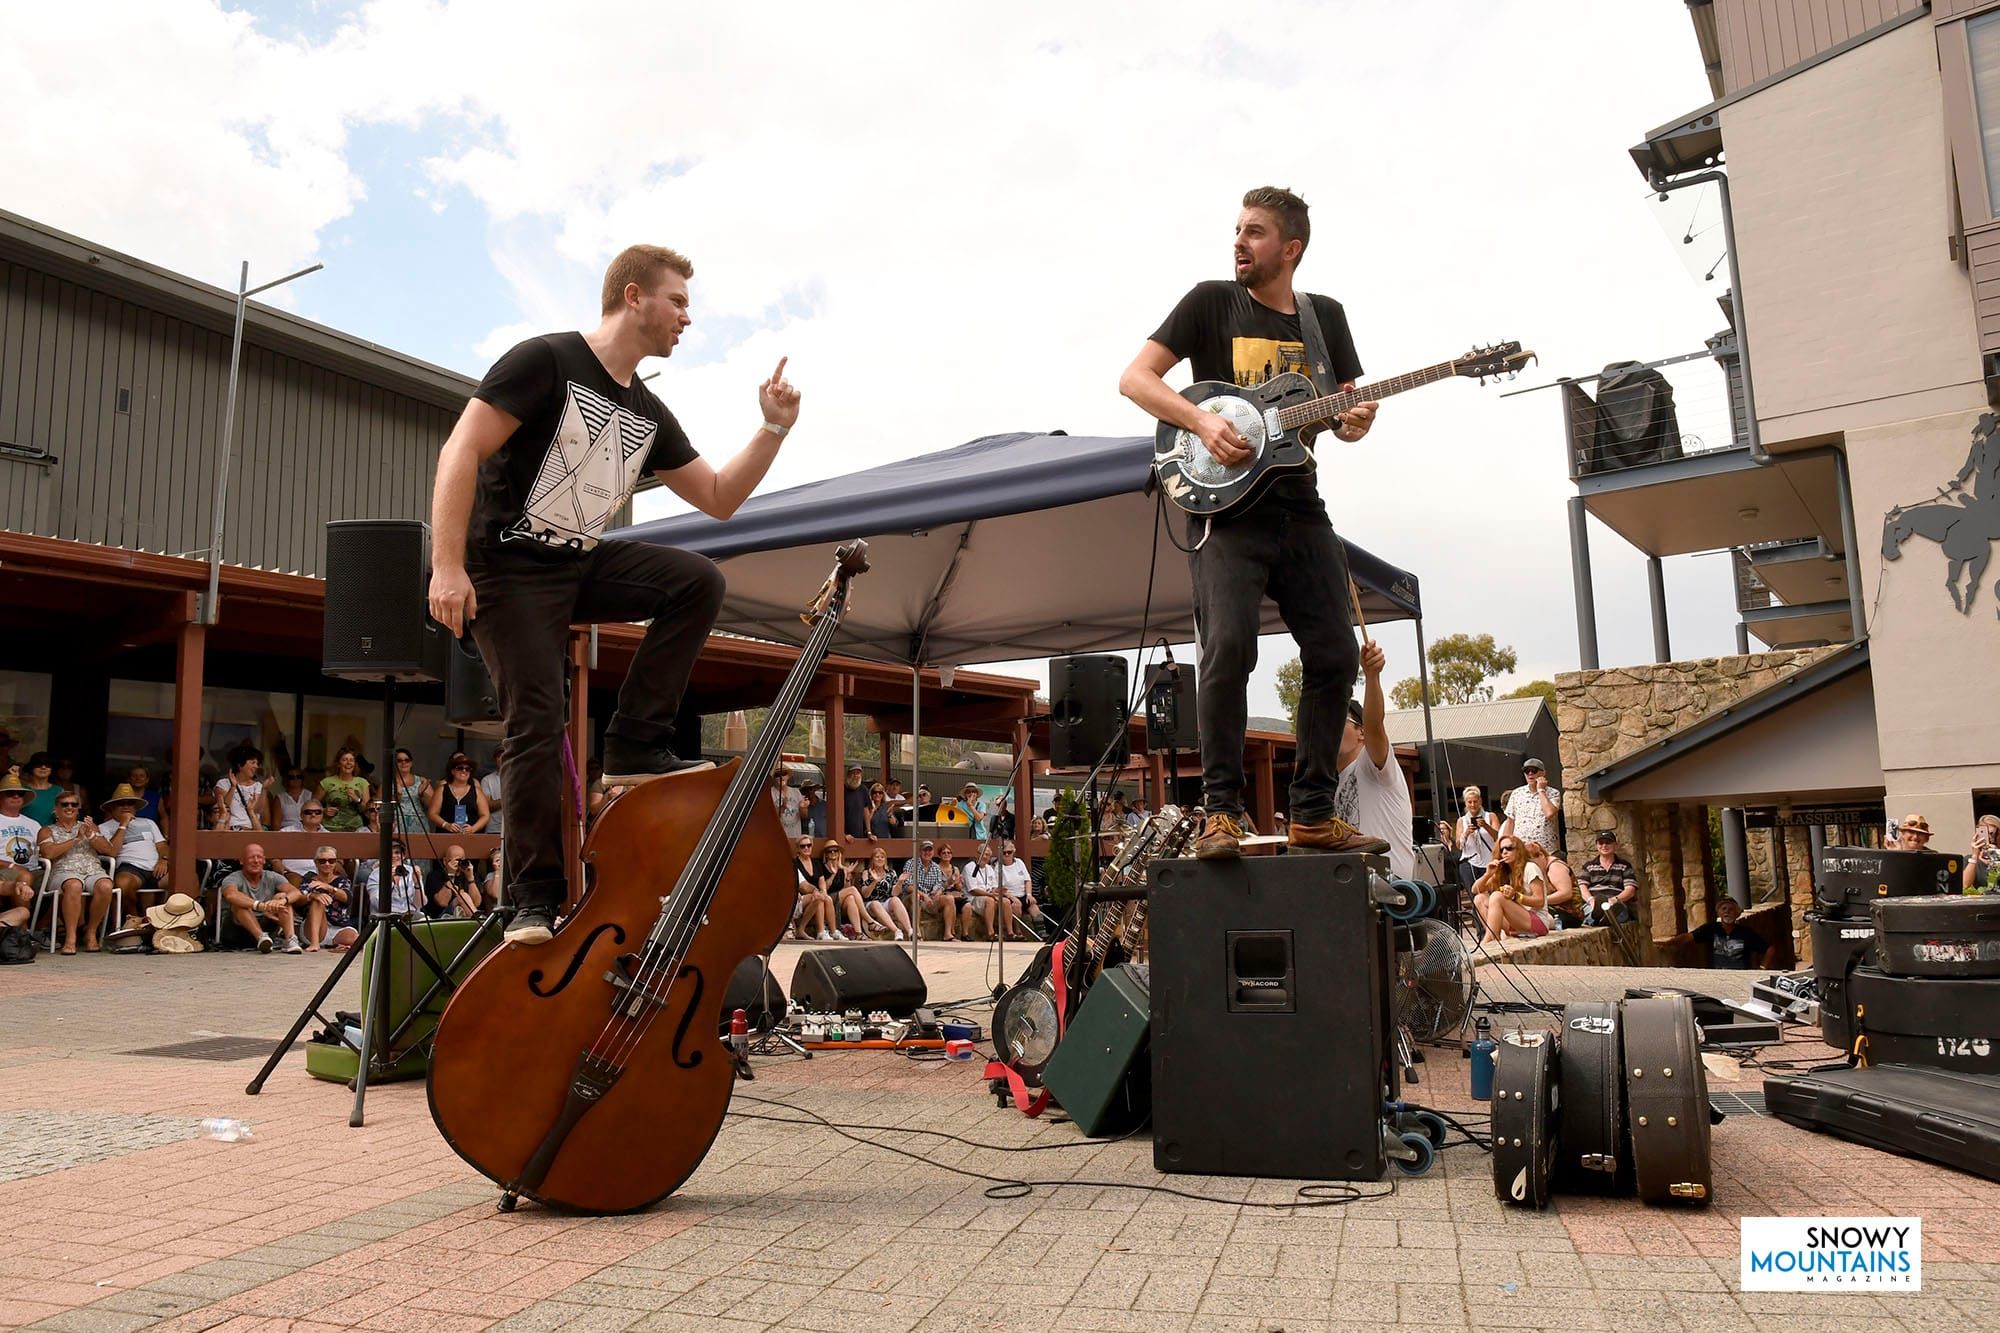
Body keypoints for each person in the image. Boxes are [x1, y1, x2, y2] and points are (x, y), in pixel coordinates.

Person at [427, 243, 801, 945]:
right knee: (537, 720)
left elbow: (718, 497)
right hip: (506, 569)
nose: (688, 318)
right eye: (679, 302)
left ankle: (634, 743)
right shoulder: (545, 361)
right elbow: (461, 449)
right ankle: (533, 899)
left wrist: (773, 428)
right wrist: (447, 565)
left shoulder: (647, 409)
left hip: (575, 563)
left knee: (696, 578)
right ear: (634, 296)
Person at [1120, 186, 1384, 860]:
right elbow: (1136, 378)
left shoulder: (1325, 318)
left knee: (1335, 655)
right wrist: (1204, 420)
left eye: (1256, 232)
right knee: (1230, 647)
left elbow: (1343, 416)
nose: (1239, 241)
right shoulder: (1211, 302)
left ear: (1290, 249)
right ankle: (1222, 812)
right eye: (1237, 229)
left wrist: (1355, 422)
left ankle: (1312, 812)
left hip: (1300, 504)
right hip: (1228, 511)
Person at [1332, 641, 1412, 877]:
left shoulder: (1371, 764)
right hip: (1355, 889)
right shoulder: (1332, 784)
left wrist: (1372, 677)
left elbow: (1375, 724)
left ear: (1361, 732)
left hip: (1392, 888)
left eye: (1341, 720)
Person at [38, 790, 117, 953]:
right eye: (64, 804)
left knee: (105, 885)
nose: (69, 807)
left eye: (74, 804)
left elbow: (108, 850)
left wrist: (93, 835)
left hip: (92, 869)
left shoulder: (87, 827)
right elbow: (48, 853)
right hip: (63, 871)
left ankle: (91, 932)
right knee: (74, 885)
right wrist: (76, 839)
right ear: (56, 809)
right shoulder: (47, 830)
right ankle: (70, 938)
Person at [219, 843, 305, 954]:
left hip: (267, 929)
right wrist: (260, 906)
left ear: (264, 860)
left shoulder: (273, 877)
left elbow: (295, 892)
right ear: (242, 861)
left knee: (283, 896)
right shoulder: (233, 878)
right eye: (251, 857)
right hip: (236, 932)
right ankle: (260, 937)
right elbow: (231, 895)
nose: (256, 861)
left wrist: (281, 901)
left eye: (259, 857)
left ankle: (290, 939)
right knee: (238, 904)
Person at [99, 785, 167, 915]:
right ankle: (134, 920)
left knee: (187, 878)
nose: (126, 806)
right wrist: (123, 824)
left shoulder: (149, 822)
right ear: (112, 807)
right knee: (123, 884)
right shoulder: (104, 827)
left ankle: (187, 924)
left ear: (135, 806)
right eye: (120, 803)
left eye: (130, 803)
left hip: (157, 866)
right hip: (130, 868)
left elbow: (163, 846)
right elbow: (111, 851)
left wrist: (163, 860)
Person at [1471, 836, 1554, 940]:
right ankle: (1494, 938)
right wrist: (1488, 874)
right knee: (1479, 899)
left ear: (1518, 850)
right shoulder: (1503, 871)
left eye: (1509, 848)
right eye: (1502, 850)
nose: (1505, 852)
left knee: (1497, 896)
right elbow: (1475, 890)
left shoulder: (1530, 867)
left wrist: (1516, 896)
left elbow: (1540, 901)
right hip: (1515, 922)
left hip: (1537, 922)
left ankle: (1489, 939)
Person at [1681, 898, 1772, 970]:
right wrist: (1669, 942)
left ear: (1737, 914)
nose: (1727, 912)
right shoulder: (1711, 929)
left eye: (1731, 909)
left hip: (1741, 976)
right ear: (1719, 913)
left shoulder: (1746, 933)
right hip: (1718, 975)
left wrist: (1762, 968)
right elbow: (1688, 937)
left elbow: (1770, 949)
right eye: (1724, 909)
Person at [1500, 759, 1561, 862]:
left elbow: (1549, 813)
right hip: (1521, 851)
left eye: (1534, 770)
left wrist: (1541, 790)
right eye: (1527, 771)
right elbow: (1510, 822)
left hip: (1545, 851)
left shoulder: (1553, 793)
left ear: (1543, 772)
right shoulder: (1517, 793)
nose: (1530, 774)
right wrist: (1504, 847)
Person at [900, 839, 959, 941]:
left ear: (933, 852)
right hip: (912, 898)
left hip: (929, 898)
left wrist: (938, 892)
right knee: (916, 896)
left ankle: (948, 934)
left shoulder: (936, 867)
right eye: (925, 850)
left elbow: (939, 885)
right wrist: (924, 895)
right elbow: (907, 886)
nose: (927, 853)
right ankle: (917, 931)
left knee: (949, 898)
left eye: (929, 850)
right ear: (920, 851)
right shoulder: (911, 863)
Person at [1442, 786, 1497, 895]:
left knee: (1492, 893)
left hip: (1489, 862)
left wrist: (1486, 826)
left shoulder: (1490, 816)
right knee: (1474, 895)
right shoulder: (1461, 820)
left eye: (1475, 801)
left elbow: (1498, 836)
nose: (1473, 805)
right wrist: (1466, 833)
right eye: (1469, 802)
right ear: (1465, 803)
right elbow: (1458, 845)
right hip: (1470, 862)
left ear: (1480, 801)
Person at [1, 768, 46, 901]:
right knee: (25, 876)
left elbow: (43, 850)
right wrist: (11, 866)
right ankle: (23, 920)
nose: (16, 796)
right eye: (10, 793)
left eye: (19, 794)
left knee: (65, 882)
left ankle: (43, 922)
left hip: (35, 869)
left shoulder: (34, 824)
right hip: (5, 870)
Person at [1575, 829, 1638, 924]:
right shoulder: (1589, 866)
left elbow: (1630, 890)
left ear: (1615, 845)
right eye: (1601, 843)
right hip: (1594, 903)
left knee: (1619, 910)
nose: (1604, 846)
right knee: (1588, 911)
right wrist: (1591, 901)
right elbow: (1582, 887)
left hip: (1616, 902)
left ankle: (1601, 919)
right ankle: (1603, 918)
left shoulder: (1624, 866)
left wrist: (1614, 900)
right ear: (1597, 845)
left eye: (1608, 843)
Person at [299, 848, 356, 952]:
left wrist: (328, 887)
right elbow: (299, 899)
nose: (327, 864)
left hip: (338, 926)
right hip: (313, 928)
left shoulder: (342, 880)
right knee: (318, 899)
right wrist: (312, 896)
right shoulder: (309, 879)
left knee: (353, 938)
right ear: (316, 862)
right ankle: (315, 944)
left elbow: (347, 898)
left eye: (331, 861)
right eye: (322, 861)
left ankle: (341, 945)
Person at [857, 846, 912, 940]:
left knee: (895, 899)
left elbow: (894, 893)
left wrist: (900, 882)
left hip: (886, 902)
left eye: (882, 857)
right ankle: (896, 931)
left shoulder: (891, 873)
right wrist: (874, 882)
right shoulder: (866, 873)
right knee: (876, 903)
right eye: (877, 857)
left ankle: (910, 931)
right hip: (871, 904)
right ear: (872, 860)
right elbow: (865, 894)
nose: (880, 859)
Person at [429, 753, 491, 835]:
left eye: (467, 769)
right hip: (446, 835)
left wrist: (473, 829)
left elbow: (485, 815)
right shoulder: (442, 789)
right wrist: (446, 825)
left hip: (470, 836)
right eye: (460, 768)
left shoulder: (476, 791)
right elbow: (432, 813)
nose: (464, 771)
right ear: (452, 771)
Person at [360, 840, 426, 917]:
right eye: (389, 853)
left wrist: (417, 883)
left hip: (411, 916)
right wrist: (389, 881)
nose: (394, 856)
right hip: (386, 918)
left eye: (397, 852)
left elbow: (420, 904)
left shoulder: (412, 871)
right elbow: (377, 903)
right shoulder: (375, 875)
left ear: (403, 856)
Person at [995, 841, 1042, 941]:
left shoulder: (1019, 863)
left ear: (1013, 851)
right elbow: (999, 888)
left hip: (1023, 894)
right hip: (1010, 895)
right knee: (1017, 905)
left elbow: (1027, 880)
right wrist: (1012, 897)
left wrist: (1029, 894)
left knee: (1034, 906)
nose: (1007, 854)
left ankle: (1042, 932)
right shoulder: (998, 867)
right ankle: (1018, 931)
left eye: (1009, 852)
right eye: (1004, 853)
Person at [214, 746, 268, 831]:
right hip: (230, 830)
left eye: (257, 764)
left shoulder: (257, 785)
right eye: (253, 763)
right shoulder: (223, 784)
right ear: (240, 765)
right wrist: (233, 787)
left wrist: (264, 789)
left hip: (251, 830)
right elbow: (224, 807)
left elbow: (258, 810)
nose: (256, 766)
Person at [279, 800, 332, 884]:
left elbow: (338, 860)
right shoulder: (286, 832)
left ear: (322, 815)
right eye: (308, 812)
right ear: (301, 815)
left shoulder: (329, 835)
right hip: (293, 874)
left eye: (317, 812)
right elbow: (274, 855)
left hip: (321, 875)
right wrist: (277, 865)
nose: (313, 815)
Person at [824, 844, 871, 940]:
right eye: (830, 851)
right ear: (826, 854)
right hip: (827, 899)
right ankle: (868, 920)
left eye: (836, 851)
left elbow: (846, 888)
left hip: (839, 900)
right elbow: (825, 887)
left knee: (851, 898)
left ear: (839, 854)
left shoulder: (842, 869)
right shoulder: (823, 867)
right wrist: (833, 875)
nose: (833, 853)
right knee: (853, 890)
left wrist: (848, 875)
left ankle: (859, 933)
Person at [317, 747, 371, 832]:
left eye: (351, 760)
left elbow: (368, 811)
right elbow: (311, 805)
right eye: (344, 760)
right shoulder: (326, 782)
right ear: (338, 763)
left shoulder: (362, 783)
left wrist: (357, 799)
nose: (348, 763)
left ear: (355, 764)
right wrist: (323, 810)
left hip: (355, 828)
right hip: (330, 828)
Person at [386, 748, 431, 838]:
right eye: (399, 760)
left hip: (419, 823)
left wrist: (422, 795)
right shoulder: (387, 783)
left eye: (407, 760)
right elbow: (378, 809)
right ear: (395, 763)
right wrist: (396, 797)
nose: (404, 763)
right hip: (395, 824)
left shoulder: (421, 781)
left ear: (411, 763)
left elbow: (432, 807)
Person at [428, 845, 484, 919]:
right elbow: (442, 902)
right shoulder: (435, 876)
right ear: (445, 861)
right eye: (457, 860)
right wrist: (451, 875)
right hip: (443, 915)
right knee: (462, 896)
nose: (460, 863)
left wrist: (470, 879)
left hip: (467, 914)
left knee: (463, 895)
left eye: (462, 860)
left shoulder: (469, 874)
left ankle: (477, 918)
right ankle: (479, 920)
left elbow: (476, 903)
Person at [963, 842, 1001, 939]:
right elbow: (973, 890)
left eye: (988, 855)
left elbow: (994, 887)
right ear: (978, 854)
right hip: (974, 898)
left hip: (988, 896)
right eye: (983, 854)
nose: (985, 857)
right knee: (990, 900)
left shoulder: (990, 868)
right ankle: (990, 933)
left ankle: (1011, 932)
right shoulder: (970, 867)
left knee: (1006, 902)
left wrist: (999, 891)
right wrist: (991, 895)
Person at [21, 752, 62, 826]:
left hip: (50, 835)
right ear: (31, 768)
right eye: (38, 764)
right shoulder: (22, 790)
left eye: (48, 765)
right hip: (26, 833)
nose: (43, 767)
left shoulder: (59, 791)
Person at [1967, 814, 2000, 892]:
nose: (1990, 838)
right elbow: (1965, 886)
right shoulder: (1970, 860)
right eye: (1985, 834)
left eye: (1993, 834)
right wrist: (1974, 856)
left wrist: (1996, 858)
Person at [841, 764, 870, 849]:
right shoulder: (841, 789)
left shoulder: (863, 790)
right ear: (848, 775)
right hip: (844, 838)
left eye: (858, 773)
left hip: (859, 837)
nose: (856, 776)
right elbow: (833, 814)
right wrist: (843, 834)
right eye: (853, 773)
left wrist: (869, 832)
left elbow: (866, 810)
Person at [770, 770, 804, 842]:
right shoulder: (770, 793)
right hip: (778, 838)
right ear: (774, 778)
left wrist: (803, 808)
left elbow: (804, 815)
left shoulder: (796, 792)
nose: (781, 776)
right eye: (777, 775)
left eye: (783, 774)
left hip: (796, 837)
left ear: (788, 776)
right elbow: (770, 817)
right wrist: (782, 807)